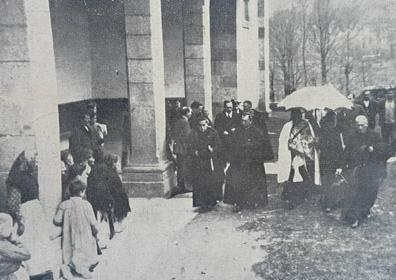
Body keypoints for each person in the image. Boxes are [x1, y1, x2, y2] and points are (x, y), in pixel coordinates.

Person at [5, 151, 57, 278]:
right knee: (31, 244)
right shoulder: (15, 178)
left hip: (35, 214)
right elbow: (13, 203)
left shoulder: (29, 175)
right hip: (27, 215)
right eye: (35, 160)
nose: (36, 163)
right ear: (26, 161)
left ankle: (43, 272)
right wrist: (21, 221)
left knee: (40, 245)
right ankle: (36, 274)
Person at [342, 115, 392, 228]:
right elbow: (347, 151)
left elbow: (384, 149)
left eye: (362, 125)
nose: (360, 128)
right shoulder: (352, 135)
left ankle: (364, 212)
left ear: (367, 124)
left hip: (371, 168)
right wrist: (341, 166)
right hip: (357, 168)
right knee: (356, 194)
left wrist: (373, 148)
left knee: (370, 193)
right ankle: (355, 217)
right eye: (358, 125)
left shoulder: (374, 135)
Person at [224, 113, 274, 212]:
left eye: (245, 121)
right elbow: (233, 145)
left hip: (253, 162)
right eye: (242, 120)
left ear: (250, 121)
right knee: (237, 182)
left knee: (253, 183)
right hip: (240, 162)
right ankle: (238, 203)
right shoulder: (238, 131)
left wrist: (250, 146)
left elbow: (262, 146)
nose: (243, 122)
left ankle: (253, 202)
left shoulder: (257, 132)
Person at [53, 180, 99, 279]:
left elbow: (57, 220)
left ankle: (69, 267)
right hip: (84, 236)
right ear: (82, 192)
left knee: (70, 253)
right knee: (86, 251)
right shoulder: (86, 205)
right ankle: (81, 268)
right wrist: (96, 233)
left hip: (69, 237)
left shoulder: (64, 204)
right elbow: (93, 223)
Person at [277, 108, 320, 209]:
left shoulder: (306, 124)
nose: (298, 117)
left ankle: (300, 195)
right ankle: (291, 197)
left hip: (302, 154)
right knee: (291, 174)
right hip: (291, 154)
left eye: (299, 115)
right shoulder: (288, 126)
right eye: (296, 115)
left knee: (302, 174)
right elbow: (282, 140)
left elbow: (310, 138)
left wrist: (303, 148)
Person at [189, 117, 223, 212]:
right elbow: (189, 146)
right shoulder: (193, 133)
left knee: (210, 182)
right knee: (200, 183)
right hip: (198, 161)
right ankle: (201, 203)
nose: (202, 128)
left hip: (209, 160)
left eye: (204, 125)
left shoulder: (213, 132)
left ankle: (211, 202)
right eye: (200, 125)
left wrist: (213, 149)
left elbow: (219, 145)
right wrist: (193, 152)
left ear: (207, 124)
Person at [318, 111, 346, 212]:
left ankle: (327, 201)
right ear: (329, 121)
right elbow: (339, 150)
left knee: (328, 182)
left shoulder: (327, 132)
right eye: (333, 120)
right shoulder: (332, 132)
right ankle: (328, 203)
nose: (334, 122)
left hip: (327, 161)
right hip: (330, 161)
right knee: (329, 182)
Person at [86, 152, 115, 240]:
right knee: (108, 212)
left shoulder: (93, 169)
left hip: (95, 195)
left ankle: (97, 234)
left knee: (96, 214)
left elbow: (90, 182)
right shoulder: (107, 169)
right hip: (106, 195)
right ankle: (111, 231)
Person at [104, 154, 131, 232]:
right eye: (116, 162)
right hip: (116, 195)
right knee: (120, 205)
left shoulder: (111, 171)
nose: (118, 164)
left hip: (116, 193)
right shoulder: (112, 173)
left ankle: (118, 222)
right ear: (112, 163)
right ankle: (118, 223)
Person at [0, 213, 30, 280]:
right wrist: (15, 240)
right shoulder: (4, 245)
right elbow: (26, 254)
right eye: (9, 226)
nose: (11, 229)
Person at [171, 107, 193, 195]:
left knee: (181, 168)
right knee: (184, 168)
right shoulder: (185, 122)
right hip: (184, 148)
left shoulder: (178, 121)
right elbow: (188, 136)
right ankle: (184, 187)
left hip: (179, 148)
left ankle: (181, 185)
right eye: (190, 112)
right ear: (186, 113)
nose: (191, 113)